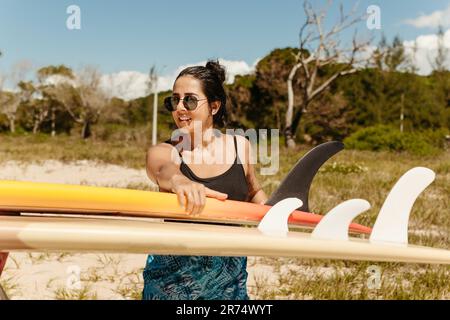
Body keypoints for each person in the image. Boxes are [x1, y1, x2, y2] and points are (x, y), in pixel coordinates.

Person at [142, 60, 267, 300]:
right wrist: (180, 182)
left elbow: (253, 192)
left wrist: (278, 213)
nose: (179, 107)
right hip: (173, 284)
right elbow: (161, 169)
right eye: (174, 100)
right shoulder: (166, 150)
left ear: (214, 106)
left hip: (229, 279)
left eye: (189, 100)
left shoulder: (240, 146)